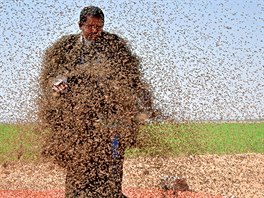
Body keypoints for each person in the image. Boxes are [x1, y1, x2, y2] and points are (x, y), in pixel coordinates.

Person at [38, 6, 155, 198]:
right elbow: (50, 75)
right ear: (80, 25)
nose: (95, 31)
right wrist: (57, 83)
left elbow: (132, 76)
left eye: (99, 27)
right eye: (90, 26)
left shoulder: (115, 44)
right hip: (77, 115)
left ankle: (113, 193)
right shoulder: (65, 47)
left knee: (113, 157)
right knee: (80, 160)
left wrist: (145, 102)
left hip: (110, 114)